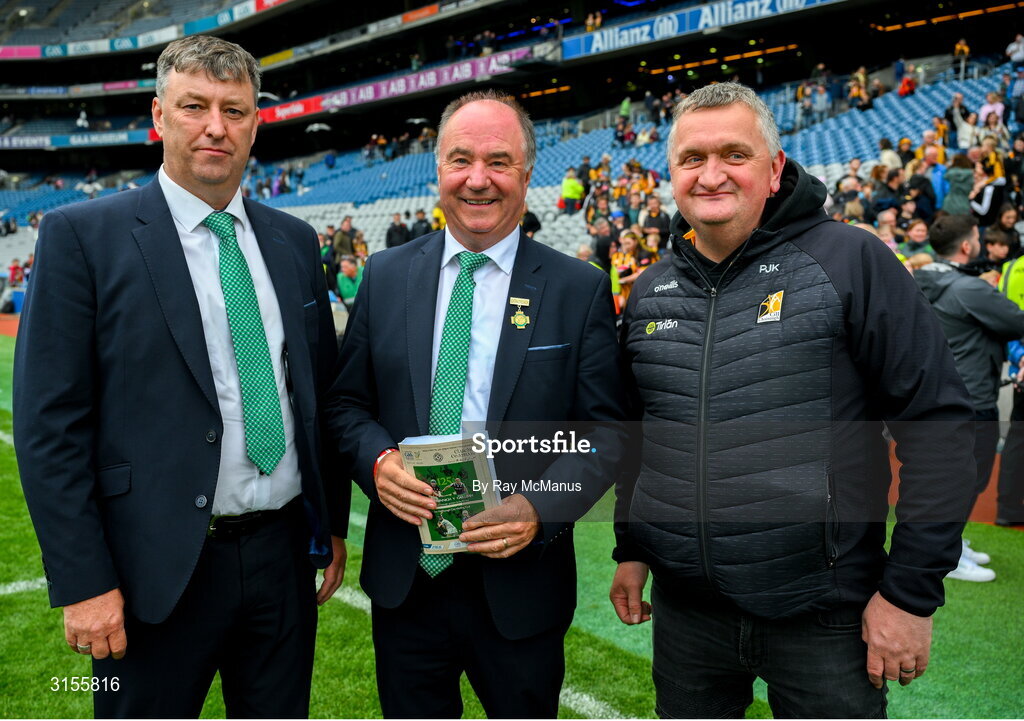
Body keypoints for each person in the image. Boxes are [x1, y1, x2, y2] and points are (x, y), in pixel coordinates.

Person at [611, 82, 976, 718]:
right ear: (669, 174)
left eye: (735, 153)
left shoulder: (852, 259)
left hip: (824, 618)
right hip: (687, 618)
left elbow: (940, 426)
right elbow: (648, 434)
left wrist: (911, 595)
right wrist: (634, 548)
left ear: (775, 167)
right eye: (692, 158)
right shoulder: (650, 289)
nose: (712, 174)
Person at [12, 35, 348, 718]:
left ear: (257, 122)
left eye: (234, 109)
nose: (216, 126)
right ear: (159, 116)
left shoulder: (293, 240)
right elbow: (50, 425)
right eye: (195, 105)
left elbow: (315, 393)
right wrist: (83, 581)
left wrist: (331, 522)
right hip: (152, 571)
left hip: (283, 555)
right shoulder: (83, 236)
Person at [325, 90, 626, 719]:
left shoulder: (578, 288)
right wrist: (379, 462)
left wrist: (539, 509)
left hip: (519, 581)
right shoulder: (383, 276)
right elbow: (346, 405)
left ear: (525, 173)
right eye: (461, 160)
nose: (478, 179)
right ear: (438, 169)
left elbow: (605, 435)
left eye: (498, 161)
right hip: (407, 577)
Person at [916, 215, 1024, 580]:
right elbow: (1017, 320)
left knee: (953, 479)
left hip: (946, 393)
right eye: (976, 237)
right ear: (966, 246)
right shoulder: (969, 289)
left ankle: (952, 545)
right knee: (964, 481)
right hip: (972, 396)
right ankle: (946, 556)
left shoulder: (926, 279)